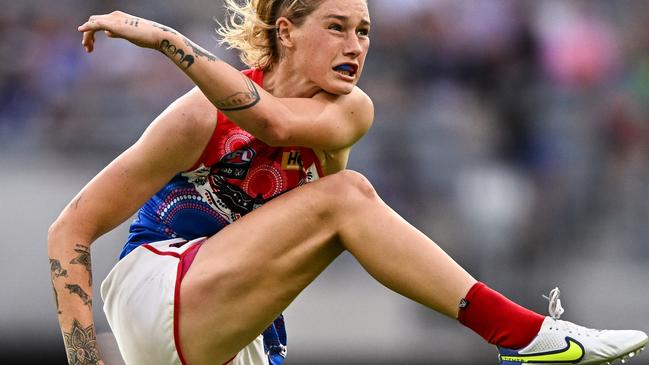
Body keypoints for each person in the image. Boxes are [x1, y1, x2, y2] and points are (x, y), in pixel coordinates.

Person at [48, 0, 647, 364]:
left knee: (344, 195)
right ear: (286, 32)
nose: (355, 46)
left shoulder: (348, 111)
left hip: (227, 332)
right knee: (348, 193)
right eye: (337, 27)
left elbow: (279, 124)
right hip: (157, 288)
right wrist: (83, 358)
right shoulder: (198, 114)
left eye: (364, 31)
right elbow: (70, 231)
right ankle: (522, 335)